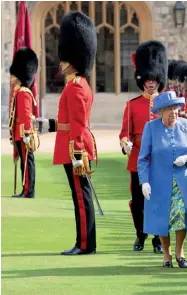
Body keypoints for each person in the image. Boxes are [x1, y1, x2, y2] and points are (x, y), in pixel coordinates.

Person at [36, 11, 97, 255]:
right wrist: (48, 124)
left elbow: (79, 126)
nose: (60, 63)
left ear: (73, 59)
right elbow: (68, 122)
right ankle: (85, 243)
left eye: (64, 59)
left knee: (81, 200)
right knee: (79, 198)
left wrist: (78, 154)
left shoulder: (76, 88)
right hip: (73, 147)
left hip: (76, 150)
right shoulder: (77, 85)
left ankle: (84, 245)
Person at [138, 91, 187, 268]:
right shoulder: (151, 127)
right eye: (170, 109)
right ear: (161, 112)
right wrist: (145, 181)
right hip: (158, 182)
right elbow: (143, 158)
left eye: (176, 108)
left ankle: (180, 253)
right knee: (162, 218)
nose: (174, 112)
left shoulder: (186, 125)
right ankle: (167, 255)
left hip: (181, 181)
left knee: (181, 216)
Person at [118, 40, 166, 253]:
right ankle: (140, 234)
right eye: (147, 79)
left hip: (160, 160)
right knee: (138, 202)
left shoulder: (166, 104)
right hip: (137, 158)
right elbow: (124, 133)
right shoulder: (132, 104)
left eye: (154, 79)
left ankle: (157, 238)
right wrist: (125, 143)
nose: (151, 83)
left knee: (157, 199)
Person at [8, 47, 38, 199]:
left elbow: (26, 115)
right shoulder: (19, 92)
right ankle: (25, 189)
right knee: (24, 164)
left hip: (24, 134)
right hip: (19, 133)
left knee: (27, 163)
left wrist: (26, 134)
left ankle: (28, 191)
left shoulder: (23, 93)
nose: (11, 78)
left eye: (13, 75)